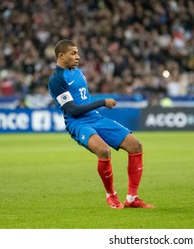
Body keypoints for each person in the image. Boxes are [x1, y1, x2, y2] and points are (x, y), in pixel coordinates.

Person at [48, 39, 153, 209]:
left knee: (136, 145)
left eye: (77, 52)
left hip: (95, 118)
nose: (78, 56)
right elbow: (72, 110)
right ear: (61, 56)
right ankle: (111, 195)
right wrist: (102, 102)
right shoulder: (56, 80)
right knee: (104, 151)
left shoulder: (78, 71)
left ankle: (132, 198)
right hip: (77, 123)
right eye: (73, 53)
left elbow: (82, 97)